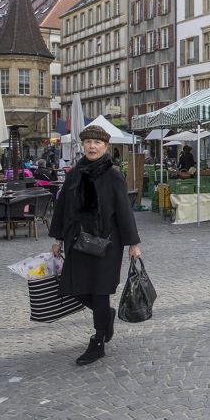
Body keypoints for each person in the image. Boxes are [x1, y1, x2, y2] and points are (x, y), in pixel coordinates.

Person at [49, 125, 141, 365]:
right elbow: (62, 208)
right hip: (77, 242)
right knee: (75, 288)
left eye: (97, 143)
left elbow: (124, 211)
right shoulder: (74, 174)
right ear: (82, 145)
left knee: (99, 291)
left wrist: (133, 243)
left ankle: (98, 340)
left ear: (105, 147)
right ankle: (106, 315)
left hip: (106, 244)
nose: (92, 146)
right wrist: (58, 238)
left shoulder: (113, 175)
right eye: (88, 142)